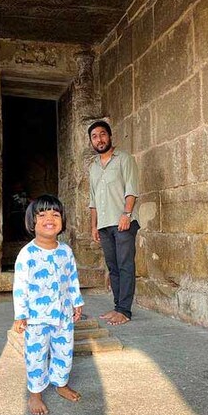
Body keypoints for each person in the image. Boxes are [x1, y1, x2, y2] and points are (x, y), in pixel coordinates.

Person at [13, 195, 84, 415]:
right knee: (36, 355)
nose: (49, 219)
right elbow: (20, 286)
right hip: (36, 319)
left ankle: (60, 383)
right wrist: (21, 315)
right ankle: (35, 393)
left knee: (64, 352)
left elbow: (72, 278)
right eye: (41, 215)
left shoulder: (66, 252)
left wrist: (77, 302)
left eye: (55, 214)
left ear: (62, 220)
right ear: (32, 222)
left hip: (62, 315)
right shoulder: (27, 254)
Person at [87, 119, 139, 326]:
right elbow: (93, 200)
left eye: (102, 134)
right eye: (94, 137)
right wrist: (93, 225)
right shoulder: (93, 167)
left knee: (125, 265)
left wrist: (126, 214)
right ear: (91, 142)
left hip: (123, 222)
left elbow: (131, 189)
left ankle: (125, 310)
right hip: (104, 225)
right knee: (113, 266)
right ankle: (118, 306)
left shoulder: (124, 159)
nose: (99, 139)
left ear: (109, 136)